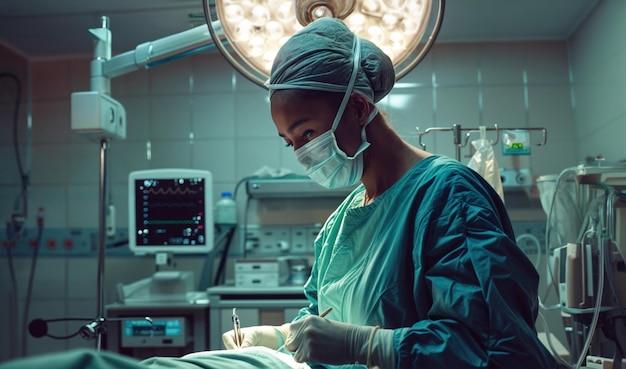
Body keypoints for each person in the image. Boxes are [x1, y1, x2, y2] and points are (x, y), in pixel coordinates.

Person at [220, 17, 558, 369]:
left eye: (306, 133)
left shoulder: (450, 195)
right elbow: (325, 317)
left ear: (358, 108)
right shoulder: (341, 225)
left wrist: (367, 345)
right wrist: (283, 336)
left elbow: (502, 348)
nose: (301, 153)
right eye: (290, 143)